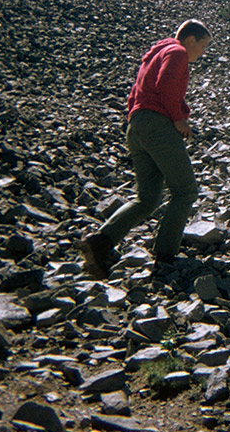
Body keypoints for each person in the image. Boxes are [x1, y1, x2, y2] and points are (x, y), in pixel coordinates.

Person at [79, 19, 212, 279]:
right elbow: (166, 87)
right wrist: (178, 118)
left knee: (148, 198)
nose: (203, 53)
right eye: (204, 46)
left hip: (137, 126)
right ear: (191, 39)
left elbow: (136, 95)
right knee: (185, 192)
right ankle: (165, 255)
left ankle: (99, 243)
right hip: (158, 126)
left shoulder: (153, 55)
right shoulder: (177, 52)